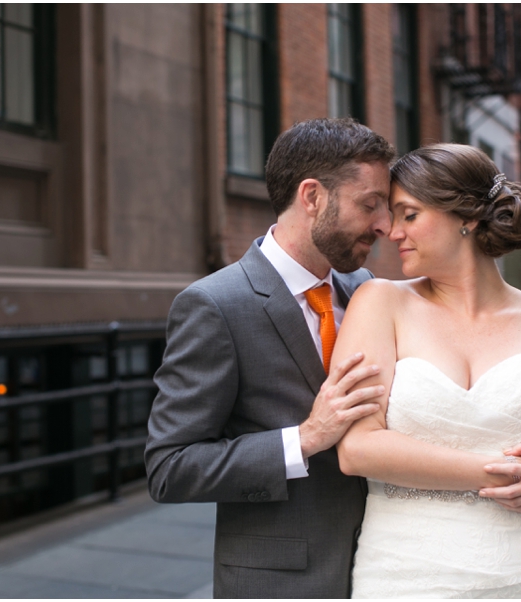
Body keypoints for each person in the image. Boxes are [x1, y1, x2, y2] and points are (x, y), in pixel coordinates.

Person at [335, 143, 521, 598]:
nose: (391, 231)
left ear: (465, 216)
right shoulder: (380, 303)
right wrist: (506, 474)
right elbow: (358, 449)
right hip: (408, 573)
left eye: (409, 215)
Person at [144, 117, 397, 598]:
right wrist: (304, 439)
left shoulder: (365, 292)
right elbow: (169, 468)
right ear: (312, 197)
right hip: (280, 583)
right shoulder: (215, 305)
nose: (384, 225)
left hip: (382, 571)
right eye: (370, 205)